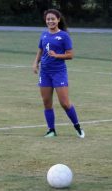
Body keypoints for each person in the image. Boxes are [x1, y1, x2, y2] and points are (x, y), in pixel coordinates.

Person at [32, 9, 85, 138]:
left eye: (53, 19)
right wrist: (35, 63)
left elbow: (70, 55)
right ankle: (51, 130)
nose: (50, 21)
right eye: (48, 19)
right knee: (46, 102)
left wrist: (57, 55)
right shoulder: (44, 35)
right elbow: (40, 50)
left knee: (65, 103)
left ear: (58, 20)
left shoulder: (64, 36)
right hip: (45, 73)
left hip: (58, 73)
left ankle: (78, 127)